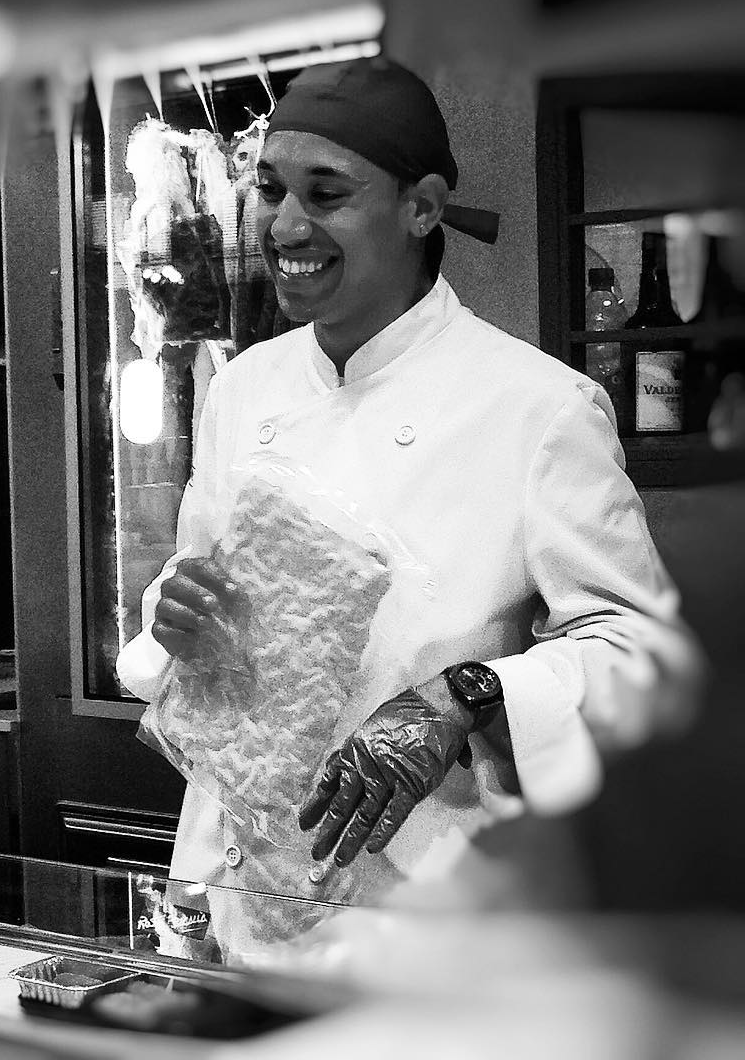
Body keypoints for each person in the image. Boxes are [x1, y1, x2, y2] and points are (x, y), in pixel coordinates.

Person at [115, 58, 704, 959]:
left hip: (438, 926)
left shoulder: (534, 407)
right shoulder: (241, 389)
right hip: (247, 907)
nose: (283, 225)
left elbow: (644, 653)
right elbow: (196, 601)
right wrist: (176, 609)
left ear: (423, 207)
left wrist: (464, 696)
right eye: (271, 189)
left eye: (327, 193)